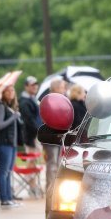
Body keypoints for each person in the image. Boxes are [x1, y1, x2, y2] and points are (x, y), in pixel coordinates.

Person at [43, 76, 68, 210]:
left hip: (58, 136)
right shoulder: (49, 101)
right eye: (63, 87)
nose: (65, 90)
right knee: (52, 164)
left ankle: (55, 189)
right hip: (50, 137)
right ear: (57, 88)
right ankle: (50, 191)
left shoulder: (62, 101)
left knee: (58, 164)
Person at [0, 85, 23, 208]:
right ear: (3, 93)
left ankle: (9, 198)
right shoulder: (1, 106)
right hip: (4, 143)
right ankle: (4, 199)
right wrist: (13, 117)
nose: (11, 92)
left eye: (12, 90)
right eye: (8, 90)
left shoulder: (10, 107)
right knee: (4, 172)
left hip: (12, 144)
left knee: (9, 171)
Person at [18, 76, 42, 155]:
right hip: (30, 136)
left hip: (35, 134)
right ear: (26, 86)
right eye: (32, 85)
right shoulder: (24, 101)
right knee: (32, 160)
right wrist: (39, 131)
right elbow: (28, 120)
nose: (35, 86)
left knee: (36, 160)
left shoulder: (33, 99)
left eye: (36, 84)